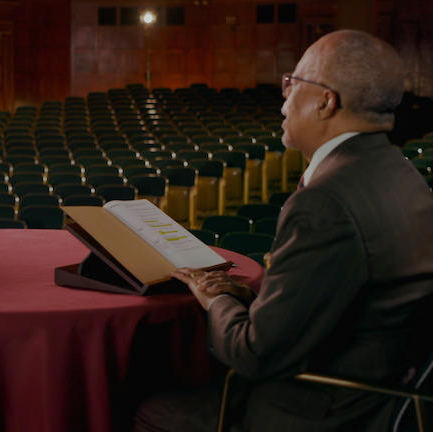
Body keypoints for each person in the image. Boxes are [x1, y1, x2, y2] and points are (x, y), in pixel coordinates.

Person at [135, 29, 433, 431]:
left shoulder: (325, 202)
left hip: (321, 409)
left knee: (148, 409)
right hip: (383, 392)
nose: (285, 98)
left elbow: (254, 353)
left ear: (326, 101)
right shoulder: (400, 173)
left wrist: (213, 299)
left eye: (293, 83)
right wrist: (248, 294)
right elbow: (341, 294)